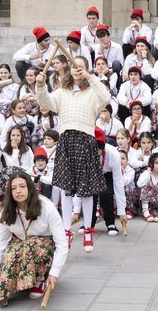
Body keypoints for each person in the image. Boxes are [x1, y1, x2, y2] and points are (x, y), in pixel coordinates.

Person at [35, 60, 110, 252]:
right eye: (74, 67)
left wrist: (90, 78)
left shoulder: (92, 90)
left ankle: (88, 230)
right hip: (66, 140)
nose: (77, 70)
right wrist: (40, 86)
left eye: (81, 67)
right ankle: (67, 231)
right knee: (66, 189)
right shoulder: (63, 90)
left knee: (87, 190)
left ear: (86, 69)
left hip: (86, 141)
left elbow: (106, 98)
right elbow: (46, 102)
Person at [0, 171, 68, 307]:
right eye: (14, 188)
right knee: (10, 255)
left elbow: (62, 242)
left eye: (22, 186)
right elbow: (0, 242)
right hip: (20, 243)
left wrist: (54, 273)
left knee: (31, 246)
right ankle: (8, 288)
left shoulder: (46, 206)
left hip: (45, 245)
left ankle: (40, 278)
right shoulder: (7, 211)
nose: (18, 191)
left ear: (30, 188)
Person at [90, 127, 127, 236]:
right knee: (90, 195)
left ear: (103, 147)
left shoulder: (113, 154)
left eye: (97, 150)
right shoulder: (85, 154)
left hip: (107, 173)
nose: (94, 153)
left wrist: (122, 211)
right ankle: (89, 223)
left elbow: (118, 183)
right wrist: (77, 211)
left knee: (106, 194)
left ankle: (110, 223)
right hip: (92, 174)